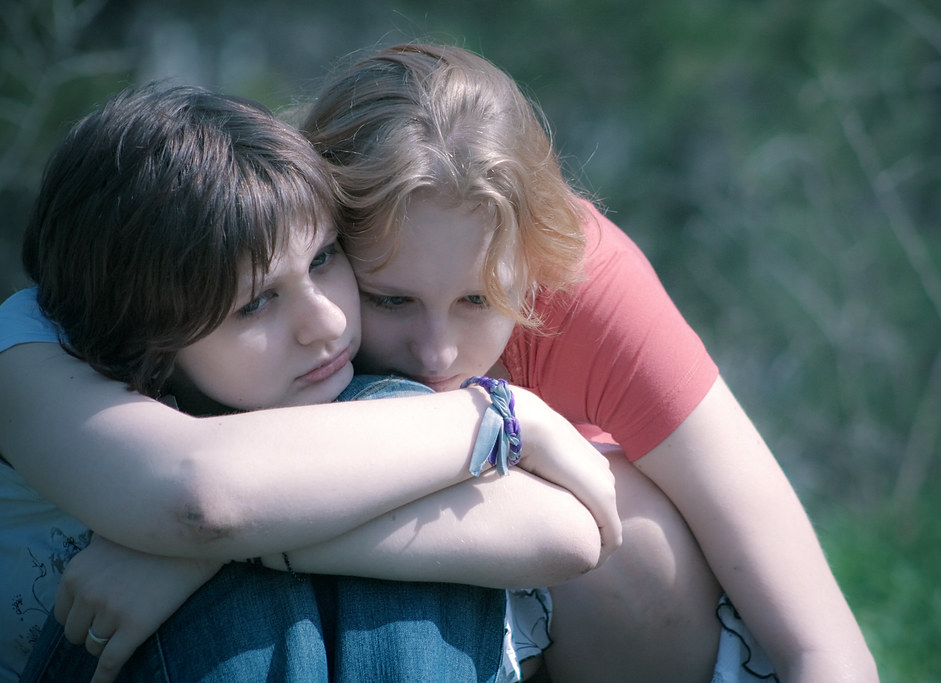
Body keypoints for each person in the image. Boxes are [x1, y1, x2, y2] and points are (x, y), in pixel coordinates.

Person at [0, 83, 621, 682]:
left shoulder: (333, 373)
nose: (327, 320)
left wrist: (204, 553)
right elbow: (203, 499)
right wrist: (506, 419)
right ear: (145, 336)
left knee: (372, 435)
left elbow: (562, 534)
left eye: (323, 259)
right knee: (259, 575)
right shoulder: (29, 348)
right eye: (256, 303)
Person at [291, 43, 878, 682]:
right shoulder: (258, 285)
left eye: (478, 300)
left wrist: (271, 537)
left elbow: (823, 645)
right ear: (317, 249)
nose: (438, 352)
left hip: (615, 635)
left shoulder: (578, 276)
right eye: (391, 299)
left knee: (620, 517)